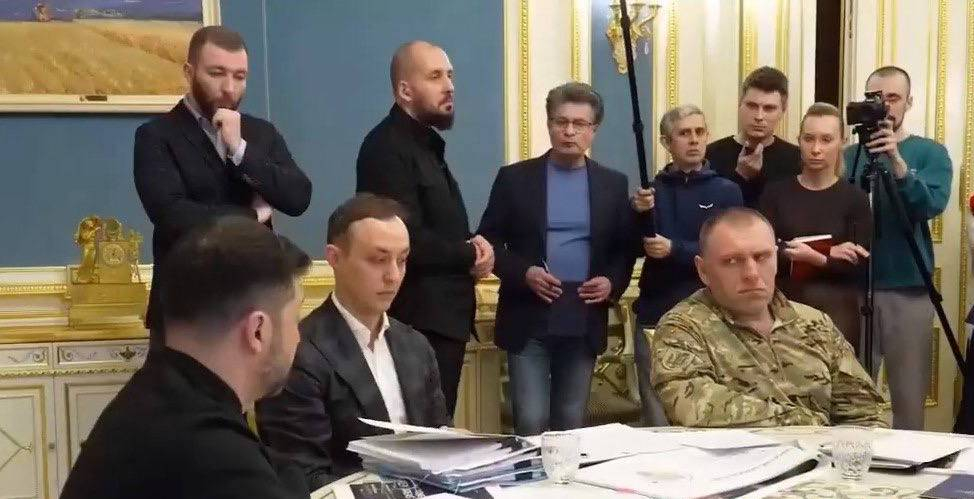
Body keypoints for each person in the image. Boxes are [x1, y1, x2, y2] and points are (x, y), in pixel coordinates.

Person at [60, 217, 312, 499]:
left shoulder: (153, 395)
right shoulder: (213, 454)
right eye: (295, 319)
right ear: (257, 331)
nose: (298, 338)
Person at [134, 26, 312, 349]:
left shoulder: (261, 133)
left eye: (239, 76)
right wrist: (251, 216)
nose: (229, 88)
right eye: (216, 74)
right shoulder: (156, 136)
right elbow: (173, 216)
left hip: (255, 305)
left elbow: (298, 196)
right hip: (186, 312)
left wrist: (240, 150)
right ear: (189, 72)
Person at [257, 194, 449, 490]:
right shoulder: (298, 353)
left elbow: (440, 445)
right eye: (379, 260)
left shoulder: (416, 346)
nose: (393, 276)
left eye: (402, 260)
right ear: (334, 258)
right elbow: (303, 476)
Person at [477, 82, 636, 435]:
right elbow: (488, 242)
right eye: (560, 121)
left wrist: (611, 283)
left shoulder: (613, 183)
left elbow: (624, 249)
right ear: (548, 124)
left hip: (583, 313)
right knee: (531, 420)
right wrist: (525, 272)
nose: (569, 131)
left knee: (570, 423)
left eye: (579, 124)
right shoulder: (514, 179)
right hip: (528, 314)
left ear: (593, 130)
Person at [651, 208, 890, 428]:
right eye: (732, 261)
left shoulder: (815, 323)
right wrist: (807, 425)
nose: (751, 274)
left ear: (776, 259)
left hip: (826, 459)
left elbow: (868, 413)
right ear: (704, 270)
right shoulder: (682, 328)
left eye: (761, 257)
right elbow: (694, 406)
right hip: (738, 461)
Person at [356, 41, 492, 416]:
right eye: (435, 76)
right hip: (417, 323)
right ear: (405, 90)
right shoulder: (387, 148)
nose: (449, 86)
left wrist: (472, 248)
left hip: (441, 320)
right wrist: (470, 253)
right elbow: (402, 239)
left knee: (437, 428)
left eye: (450, 75)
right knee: (424, 434)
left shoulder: (425, 145)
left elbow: (436, 226)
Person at [844, 66, 952, 430]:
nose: (885, 106)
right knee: (852, 399)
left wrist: (898, 163)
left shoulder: (929, 153)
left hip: (907, 288)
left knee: (908, 398)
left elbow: (930, 206)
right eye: (876, 98)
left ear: (909, 101)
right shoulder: (848, 156)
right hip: (854, 288)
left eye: (893, 97)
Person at [631, 105, 742, 425]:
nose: (693, 140)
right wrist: (636, 214)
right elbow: (630, 245)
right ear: (667, 142)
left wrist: (676, 249)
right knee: (656, 411)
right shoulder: (651, 192)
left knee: (711, 410)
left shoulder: (726, 191)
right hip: (656, 311)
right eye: (684, 134)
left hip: (712, 314)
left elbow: (730, 252)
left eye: (699, 132)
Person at [760, 103, 872, 353]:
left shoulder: (854, 198)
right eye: (809, 139)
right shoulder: (776, 193)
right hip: (783, 307)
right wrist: (829, 252)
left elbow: (859, 263)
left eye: (826, 140)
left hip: (838, 311)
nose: (816, 149)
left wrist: (815, 257)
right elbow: (764, 250)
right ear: (799, 140)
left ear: (842, 142)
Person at [706, 66, 800, 207]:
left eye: (769, 108)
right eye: (752, 106)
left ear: (783, 111)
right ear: (740, 104)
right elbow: (707, 212)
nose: (759, 116)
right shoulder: (709, 156)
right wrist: (740, 176)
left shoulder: (797, 160)